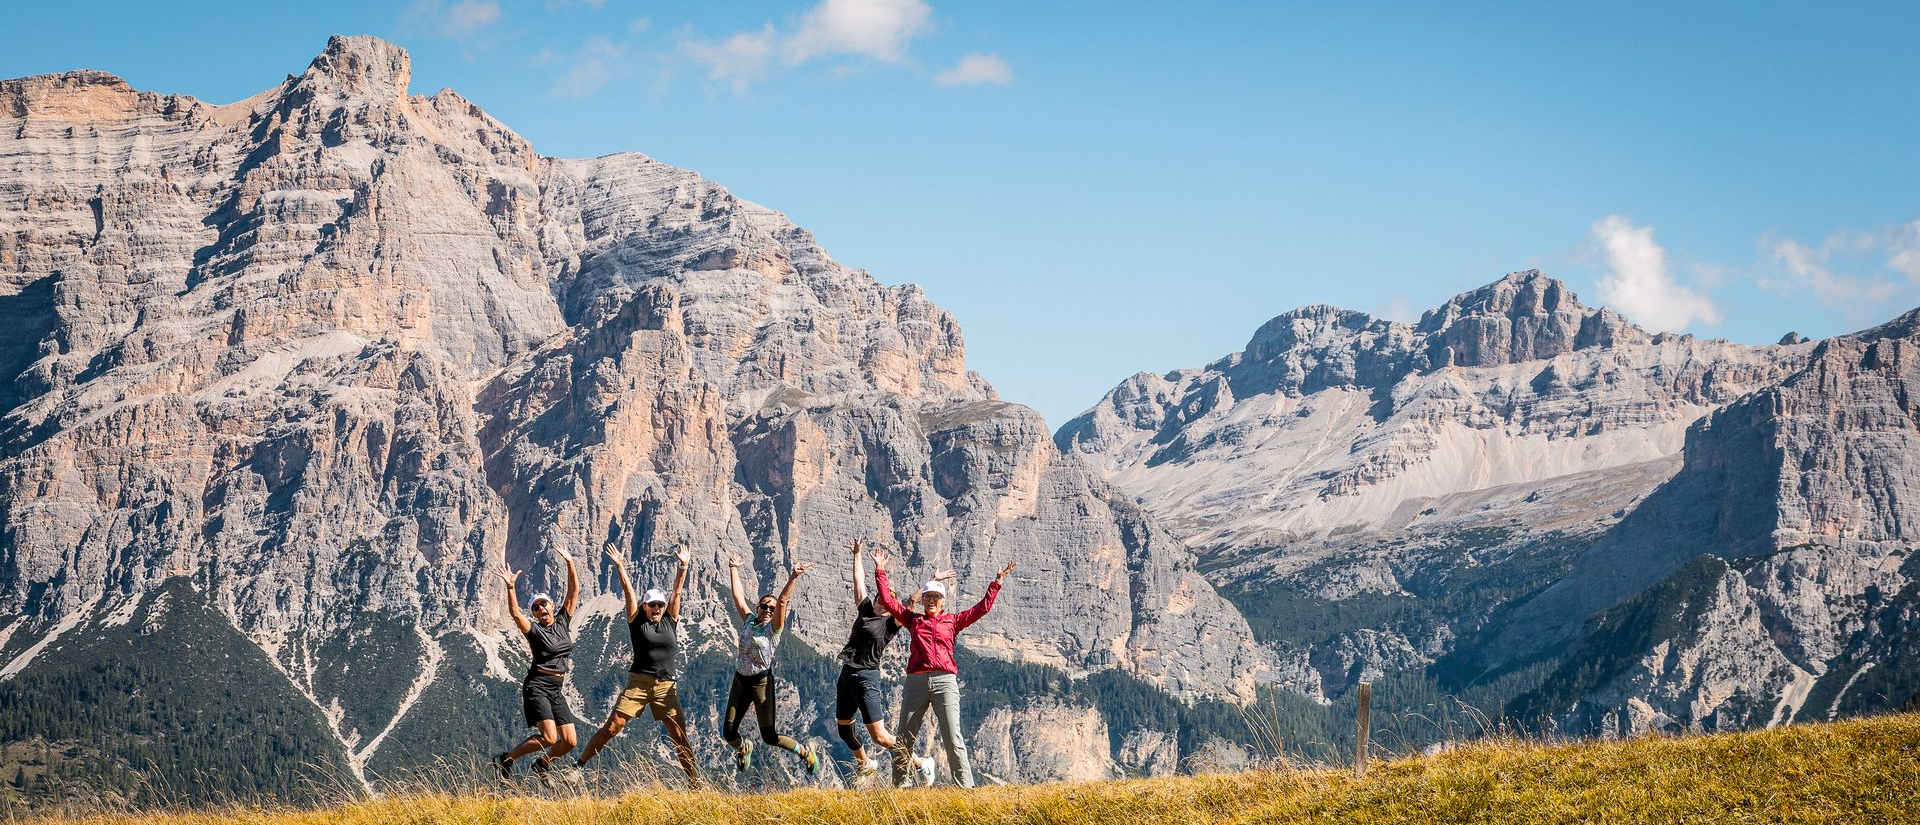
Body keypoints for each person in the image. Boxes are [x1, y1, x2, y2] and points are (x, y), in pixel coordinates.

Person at [870, 546, 1015, 789]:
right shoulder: (912, 619)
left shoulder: (953, 621)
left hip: (945, 681)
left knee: (952, 736)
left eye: (935, 598)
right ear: (923, 600)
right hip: (915, 683)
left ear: (943, 602)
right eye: (927, 597)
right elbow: (887, 600)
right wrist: (880, 569)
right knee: (905, 737)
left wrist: (997, 582)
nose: (931, 601)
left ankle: (965, 788)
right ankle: (901, 785)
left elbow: (982, 608)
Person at [569, 545, 698, 785]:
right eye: (652, 605)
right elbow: (629, 591)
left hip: (666, 685)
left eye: (660, 605)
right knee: (612, 727)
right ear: (644, 607)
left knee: (679, 736)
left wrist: (683, 566)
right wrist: (620, 565)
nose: (657, 608)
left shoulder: (671, 621)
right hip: (638, 682)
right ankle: (578, 767)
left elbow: (677, 593)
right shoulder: (636, 622)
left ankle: (695, 782)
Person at [834, 538, 947, 781]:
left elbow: (913, 602)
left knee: (881, 736)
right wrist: (857, 553)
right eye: (882, 599)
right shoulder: (864, 608)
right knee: (844, 728)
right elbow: (859, 582)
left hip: (866, 677)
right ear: (876, 599)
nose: (885, 603)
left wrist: (933, 580)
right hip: (847, 673)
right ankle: (865, 763)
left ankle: (921, 763)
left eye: (889, 601)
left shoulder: (890, 623)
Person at [722, 554, 821, 777]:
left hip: (761, 682)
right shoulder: (748, 620)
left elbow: (783, 601)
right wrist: (734, 568)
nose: (768, 610)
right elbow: (737, 597)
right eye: (764, 606)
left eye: (772, 608)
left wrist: (793, 577)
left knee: (769, 736)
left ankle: (805, 753)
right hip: (740, 680)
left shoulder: (773, 629)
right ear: (757, 607)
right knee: (729, 733)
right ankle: (742, 748)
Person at [493, 550, 581, 787]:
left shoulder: (563, 621)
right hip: (538, 686)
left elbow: (574, 593)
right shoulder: (534, 631)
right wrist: (511, 588)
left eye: (544, 605)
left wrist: (570, 562)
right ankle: (506, 759)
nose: (541, 609)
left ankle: (542, 763)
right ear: (533, 613)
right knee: (550, 737)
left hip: (556, 689)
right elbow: (513, 613)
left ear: (552, 606)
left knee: (570, 742)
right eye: (536, 608)